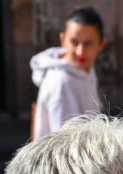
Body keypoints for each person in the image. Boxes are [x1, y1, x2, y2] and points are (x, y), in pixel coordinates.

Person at [30, 7, 106, 139]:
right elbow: (64, 143)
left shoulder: (86, 69)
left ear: (101, 44)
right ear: (62, 39)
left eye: (88, 44)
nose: (80, 52)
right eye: (74, 42)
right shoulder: (60, 82)